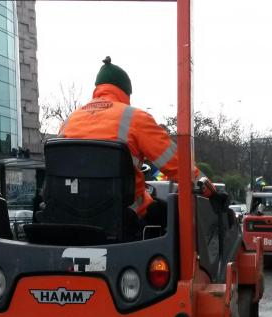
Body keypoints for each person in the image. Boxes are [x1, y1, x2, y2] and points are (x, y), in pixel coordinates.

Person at [59, 56, 194, 223]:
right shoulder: (135, 118)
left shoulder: (69, 121)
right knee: (174, 216)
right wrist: (209, 189)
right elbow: (178, 166)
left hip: (68, 215)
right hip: (125, 218)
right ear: (125, 92)